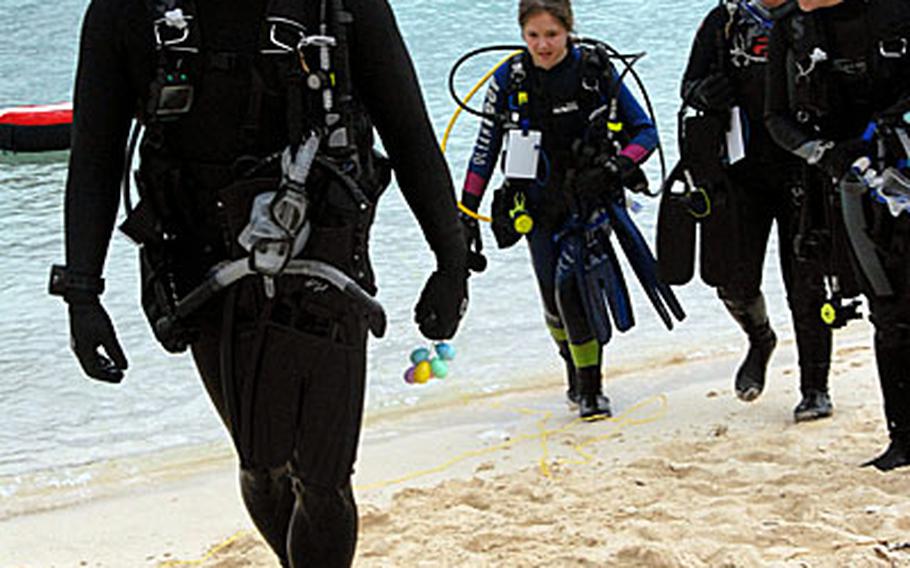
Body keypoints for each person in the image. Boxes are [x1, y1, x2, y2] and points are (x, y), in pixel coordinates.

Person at [48, 0, 469, 565]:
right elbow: (95, 155)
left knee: (323, 477)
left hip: (325, 258)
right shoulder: (127, 11)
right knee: (262, 462)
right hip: (200, 264)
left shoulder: (338, 7)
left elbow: (408, 130)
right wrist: (81, 291)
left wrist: (451, 260)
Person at [459, 0, 665, 419]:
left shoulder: (594, 71)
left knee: (573, 288)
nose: (543, 45)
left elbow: (646, 132)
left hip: (588, 199)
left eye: (551, 35)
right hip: (534, 204)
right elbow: (485, 150)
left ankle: (592, 390)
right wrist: (466, 212)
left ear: (568, 30)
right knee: (551, 299)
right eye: (533, 36)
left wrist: (615, 167)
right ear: (521, 35)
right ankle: (573, 368)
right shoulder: (508, 79)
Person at [765, 0, 910, 470]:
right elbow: (776, 117)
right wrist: (823, 153)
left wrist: (886, 130)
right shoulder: (793, 26)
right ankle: (903, 442)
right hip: (850, 182)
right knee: (886, 309)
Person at [676, 0, 834, 421]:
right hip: (741, 174)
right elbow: (687, 84)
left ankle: (815, 388)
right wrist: (704, 91)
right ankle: (760, 338)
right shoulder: (725, 22)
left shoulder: (814, 15)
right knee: (733, 282)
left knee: (806, 282)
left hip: (803, 169)